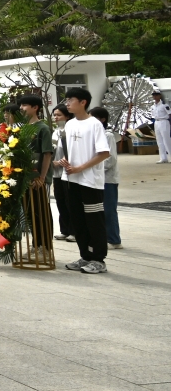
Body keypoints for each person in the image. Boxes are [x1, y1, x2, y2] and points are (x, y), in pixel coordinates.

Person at [61, 87, 111, 274]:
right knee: (77, 219)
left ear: (83, 102)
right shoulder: (70, 124)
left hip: (90, 182)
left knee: (94, 220)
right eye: (66, 100)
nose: (67, 103)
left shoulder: (94, 124)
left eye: (70, 100)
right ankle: (85, 256)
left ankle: (99, 259)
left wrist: (81, 168)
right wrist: (64, 162)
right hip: (71, 179)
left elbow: (104, 153)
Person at [18, 94, 55, 245]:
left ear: (35, 108)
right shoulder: (23, 128)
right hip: (25, 177)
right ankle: (35, 244)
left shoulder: (43, 128)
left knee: (41, 212)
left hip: (39, 178)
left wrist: (42, 177)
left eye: (25, 105)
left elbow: (47, 155)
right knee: (30, 213)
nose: (21, 108)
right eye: (20, 105)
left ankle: (44, 246)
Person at [90, 106, 122, 250]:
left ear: (102, 119)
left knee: (109, 209)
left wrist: (92, 167)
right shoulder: (93, 135)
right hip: (95, 178)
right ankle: (103, 237)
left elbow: (110, 160)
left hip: (107, 179)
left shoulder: (108, 135)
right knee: (98, 210)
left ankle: (114, 239)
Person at [51, 103, 74, 243]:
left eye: (59, 115)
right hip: (56, 172)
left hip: (68, 172)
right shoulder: (55, 131)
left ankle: (74, 231)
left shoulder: (71, 130)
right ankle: (64, 230)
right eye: (54, 115)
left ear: (67, 116)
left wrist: (64, 161)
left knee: (70, 202)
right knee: (60, 202)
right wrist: (53, 162)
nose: (56, 117)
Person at [153, 90, 171, 163]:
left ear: (160, 96)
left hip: (164, 121)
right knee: (159, 141)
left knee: (166, 140)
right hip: (157, 122)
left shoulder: (164, 105)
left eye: (156, 95)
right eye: (154, 95)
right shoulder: (153, 106)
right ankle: (163, 158)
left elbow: (170, 114)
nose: (155, 96)